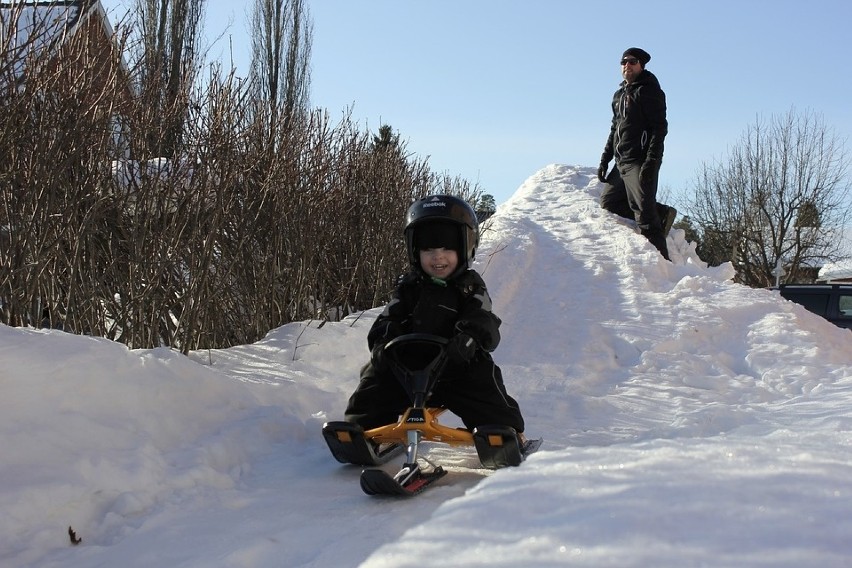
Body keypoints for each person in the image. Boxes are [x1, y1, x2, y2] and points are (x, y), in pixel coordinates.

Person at [344, 194, 527, 444]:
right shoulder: (408, 287)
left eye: (447, 248)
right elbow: (389, 317)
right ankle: (359, 431)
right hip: (405, 368)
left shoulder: (470, 286)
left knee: (484, 379)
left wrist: (469, 338)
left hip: (455, 366)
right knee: (374, 378)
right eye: (428, 249)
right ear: (414, 251)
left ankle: (504, 432)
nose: (437, 257)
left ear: (465, 248)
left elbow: (482, 317)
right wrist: (382, 342)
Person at [598, 47, 676, 261]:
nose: (627, 65)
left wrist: (652, 161)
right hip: (622, 162)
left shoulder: (649, 91)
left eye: (632, 62)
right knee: (609, 202)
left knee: (646, 217)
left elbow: (659, 128)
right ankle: (662, 213)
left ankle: (664, 267)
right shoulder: (619, 95)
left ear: (641, 65)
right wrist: (606, 159)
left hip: (640, 161)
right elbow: (615, 127)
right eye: (623, 62)